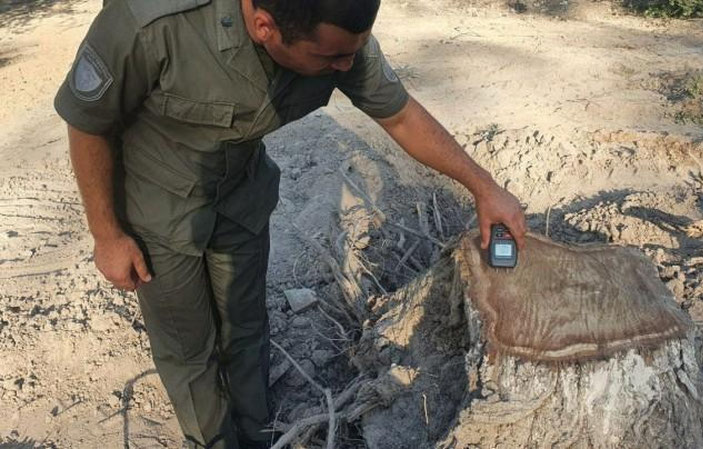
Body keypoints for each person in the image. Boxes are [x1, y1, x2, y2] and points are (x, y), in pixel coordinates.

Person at [54, 0, 526, 447]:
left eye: (353, 52)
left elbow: (399, 114)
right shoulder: (153, 23)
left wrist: (483, 185)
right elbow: (88, 122)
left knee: (245, 325)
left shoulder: (337, 34)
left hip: (241, 195)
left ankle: (258, 430)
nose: (346, 66)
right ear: (265, 27)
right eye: (332, 57)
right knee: (189, 349)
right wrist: (107, 235)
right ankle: (212, 441)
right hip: (154, 205)